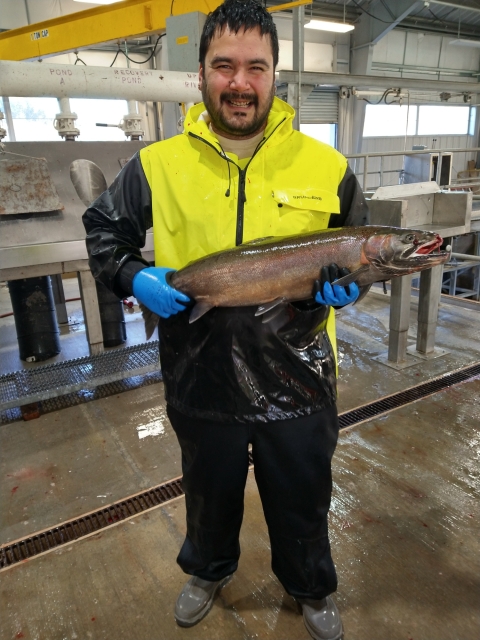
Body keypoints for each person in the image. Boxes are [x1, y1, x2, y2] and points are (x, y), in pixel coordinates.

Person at [83, 1, 369, 638]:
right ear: (202, 72)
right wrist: (135, 277)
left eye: (255, 67)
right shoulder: (156, 165)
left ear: (274, 75)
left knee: (301, 497)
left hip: (297, 377)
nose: (240, 82)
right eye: (224, 66)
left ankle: (310, 586)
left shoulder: (328, 168)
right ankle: (208, 569)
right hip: (199, 371)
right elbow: (104, 231)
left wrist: (349, 290)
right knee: (208, 495)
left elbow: (361, 253)